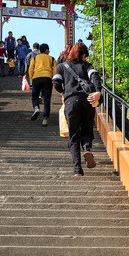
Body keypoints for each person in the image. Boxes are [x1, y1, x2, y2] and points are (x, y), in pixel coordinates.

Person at [52, 42, 102, 177]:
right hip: (88, 100)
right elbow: (95, 76)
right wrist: (98, 91)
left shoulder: (62, 66)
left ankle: (77, 170)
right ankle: (86, 148)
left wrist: (64, 92)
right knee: (87, 129)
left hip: (71, 102)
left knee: (73, 136)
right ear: (84, 54)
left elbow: (56, 82)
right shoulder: (87, 66)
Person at [29, 43, 57, 127]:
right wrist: (53, 80)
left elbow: (31, 69)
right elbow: (54, 71)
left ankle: (36, 108)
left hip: (36, 78)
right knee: (47, 99)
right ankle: (45, 118)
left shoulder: (35, 58)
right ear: (46, 50)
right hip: (47, 78)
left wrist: (32, 79)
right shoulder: (52, 59)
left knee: (34, 96)